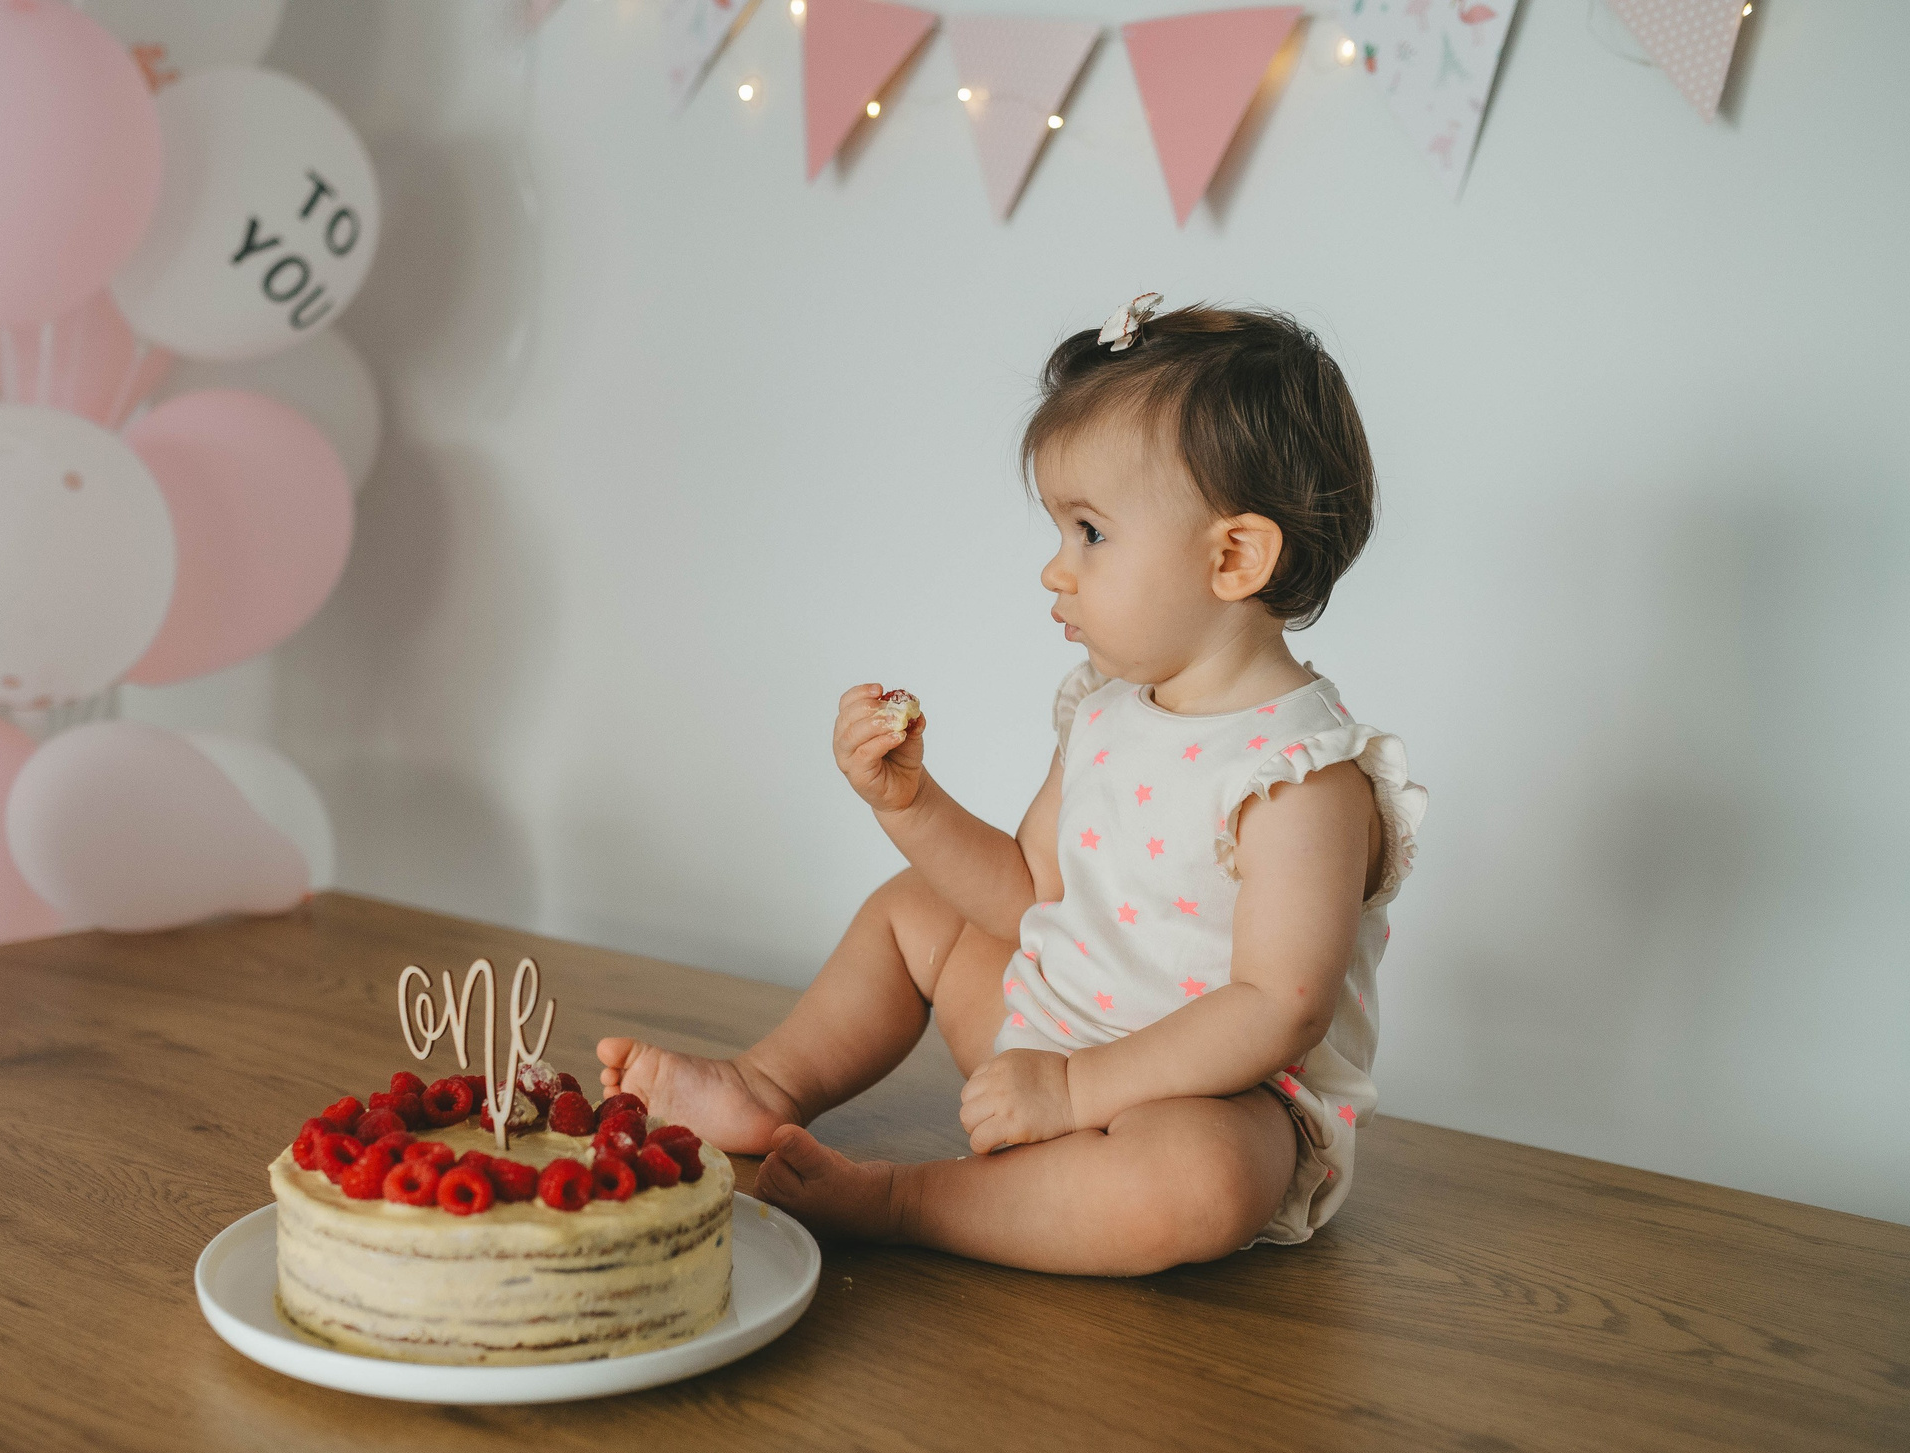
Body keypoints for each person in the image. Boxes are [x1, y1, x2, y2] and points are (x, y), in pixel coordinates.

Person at [598, 296, 1426, 1275]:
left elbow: (1276, 1008)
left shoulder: (1298, 776)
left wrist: (1077, 1091)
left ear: (1234, 556)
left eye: (1090, 532)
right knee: (915, 911)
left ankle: (908, 1200)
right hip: (1044, 1041)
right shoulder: (1106, 709)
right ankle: (763, 1084)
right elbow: (1030, 892)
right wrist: (910, 804)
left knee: (1195, 1179)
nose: (1054, 570)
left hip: (1203, 1097)